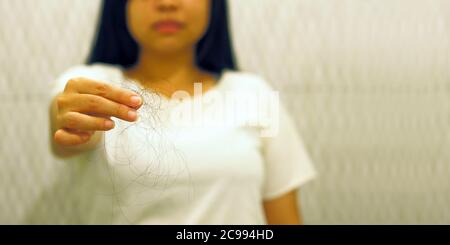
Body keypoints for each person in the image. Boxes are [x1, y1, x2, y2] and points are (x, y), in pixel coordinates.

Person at [49, 0, 316, 225]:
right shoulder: (93, 87)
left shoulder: (255, 94)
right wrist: (71, 123)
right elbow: (65, 132)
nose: (167, 4)